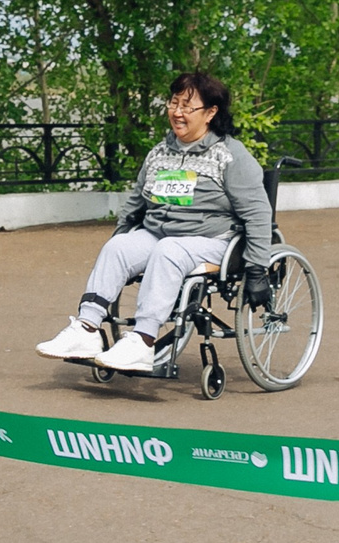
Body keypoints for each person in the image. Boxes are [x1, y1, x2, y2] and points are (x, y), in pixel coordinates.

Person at [35, 70, 274, 374]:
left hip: (214, 240)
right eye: (173, 103)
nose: (177, 112)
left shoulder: (230, 156)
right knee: (119, 247)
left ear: (211, 112)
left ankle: (143, 342)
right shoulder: (160, 152)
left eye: (188, 107)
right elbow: (135, 204)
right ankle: (86, 330)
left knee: (169, 250)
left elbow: (258, 213)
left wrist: (257, 269)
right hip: (160, 233)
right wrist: (121, 240)